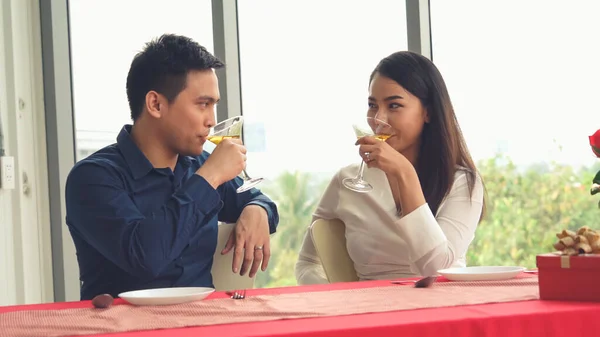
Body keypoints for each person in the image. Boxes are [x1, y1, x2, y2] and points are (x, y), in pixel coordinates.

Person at [65, 34, 279, 300]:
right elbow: (145, 258)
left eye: (214, 105)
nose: (211, 120)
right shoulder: (92, 178)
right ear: (156, 104)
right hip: (120, 327)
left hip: (202, 323)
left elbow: (264, 203)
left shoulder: (198, 165)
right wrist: (210, 176)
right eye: (203, 104)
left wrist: (256, 209)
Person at [295, 51, 485, 284]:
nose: (378, 119)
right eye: (372, 105)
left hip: (442, 309)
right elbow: (307, 263)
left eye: (394, 105)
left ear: (428, 112)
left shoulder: (462, 182)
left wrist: (404, 173)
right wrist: (339, 302)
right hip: (370, 312)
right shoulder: (348, 181)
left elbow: (435, 270)